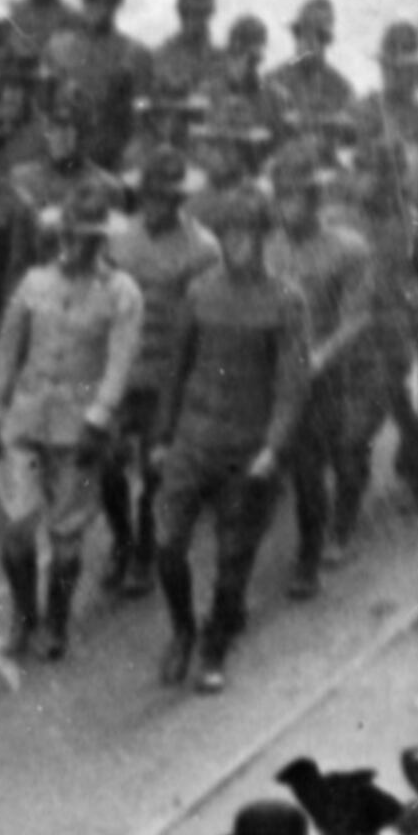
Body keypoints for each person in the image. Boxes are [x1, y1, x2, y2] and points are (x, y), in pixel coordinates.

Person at [146, 187, 313, 695]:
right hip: (193, 442)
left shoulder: (286, 301)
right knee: (167, 545)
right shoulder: (200, 293)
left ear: (266, 240)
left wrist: (273, 448)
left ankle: (215, 647)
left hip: (247, 450)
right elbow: (176, 370)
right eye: (232, 236)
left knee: (233, 559)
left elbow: (292, 385)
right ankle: (182, 630)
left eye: (252, 236)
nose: (242, 245)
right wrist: (162, 436)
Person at [0, 177, 143, 661]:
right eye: (69, 234)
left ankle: (56, 622)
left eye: (87, 237)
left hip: (79, 429)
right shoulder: (34, 284)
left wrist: (99, 419)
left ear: (101, 240)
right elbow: (8, 350)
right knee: (17, 527)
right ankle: (22, 617)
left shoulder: (121, 293)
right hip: (26, 422)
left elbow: (120, 361)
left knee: (67, 534)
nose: (74, 245)